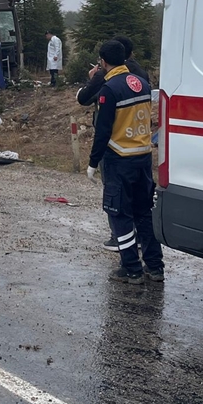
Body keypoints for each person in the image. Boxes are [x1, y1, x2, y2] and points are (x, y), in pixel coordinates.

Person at [86, 40, 163, 284]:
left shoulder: (110, 88)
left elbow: (103, 130)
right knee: (144, 214)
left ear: (103, 62)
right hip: (143, 157)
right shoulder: (141, 83)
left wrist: (92, 162)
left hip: (119, 159)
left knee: (120, 216)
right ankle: (155, 267)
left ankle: (131, 269)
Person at [76, 35, 150, 252]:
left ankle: (120, 242)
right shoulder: (142, 77)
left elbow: (85, 101)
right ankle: (151, 259)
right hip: (141, 147)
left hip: (117, 149)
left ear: (105, 60)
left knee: (116, 201)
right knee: (142, 206)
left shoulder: (107, 80)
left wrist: (92, 161)